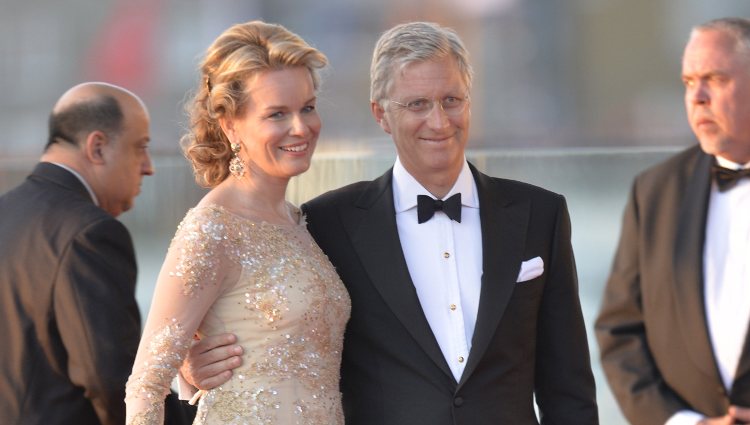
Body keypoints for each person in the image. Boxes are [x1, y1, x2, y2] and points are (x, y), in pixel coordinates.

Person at [183, 21, 598, 424]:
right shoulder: (327, 224)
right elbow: (274, 330)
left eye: (451, 100)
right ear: (381, 115)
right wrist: (190, 368)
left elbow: (570, 390)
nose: (439, 121)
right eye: (417, 104)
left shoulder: (540, 213)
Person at [124, 20, 350, 425]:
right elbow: (144, 385)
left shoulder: (298, 221)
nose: (301, 127)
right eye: (277, 114)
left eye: (308, 108)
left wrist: (188, 373)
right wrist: (185, 374)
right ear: (230, 125)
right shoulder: (212, 228)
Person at [596, 17, 750, 425]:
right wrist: (683, 423)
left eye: (715, 79)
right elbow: (620, 333)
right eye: (688, 82)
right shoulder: (654, 192)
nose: (697, 97)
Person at [0, 82, 166, 424]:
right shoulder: (91, 232)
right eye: (141, 148)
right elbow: (109, 379)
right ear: (98, 147)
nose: (149, 166)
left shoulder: (6, 211)